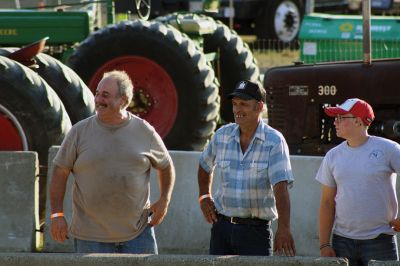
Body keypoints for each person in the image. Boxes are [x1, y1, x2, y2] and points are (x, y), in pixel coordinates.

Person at [49, 70, 175, 254]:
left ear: (123, 100)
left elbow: (165, 165)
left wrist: (164, 200)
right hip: (89, 237)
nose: (98, 99)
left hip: (138, 234)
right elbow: (59, 173)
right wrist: (57, 215)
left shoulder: (144, 131)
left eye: (105, 95)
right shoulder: (79, 132)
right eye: (97, 93)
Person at [197, 80, 296, 256]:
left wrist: (284, 229)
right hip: (221, 228)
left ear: (259, 107)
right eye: (235, 104)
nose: (237, 110)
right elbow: (204, 165)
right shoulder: (222, 135)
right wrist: (204, 197)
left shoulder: (274, 141)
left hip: (256, 233)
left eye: (244, 104)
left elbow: (281, 188)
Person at [316, 98, 400, 265]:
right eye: (335, 118)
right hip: (342, 241)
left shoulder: (389, 149)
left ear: (358, 121)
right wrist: (324, 244)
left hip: (380, 241)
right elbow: (326, 203)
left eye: (341, 117)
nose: (335, 122)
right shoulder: (332, 156)